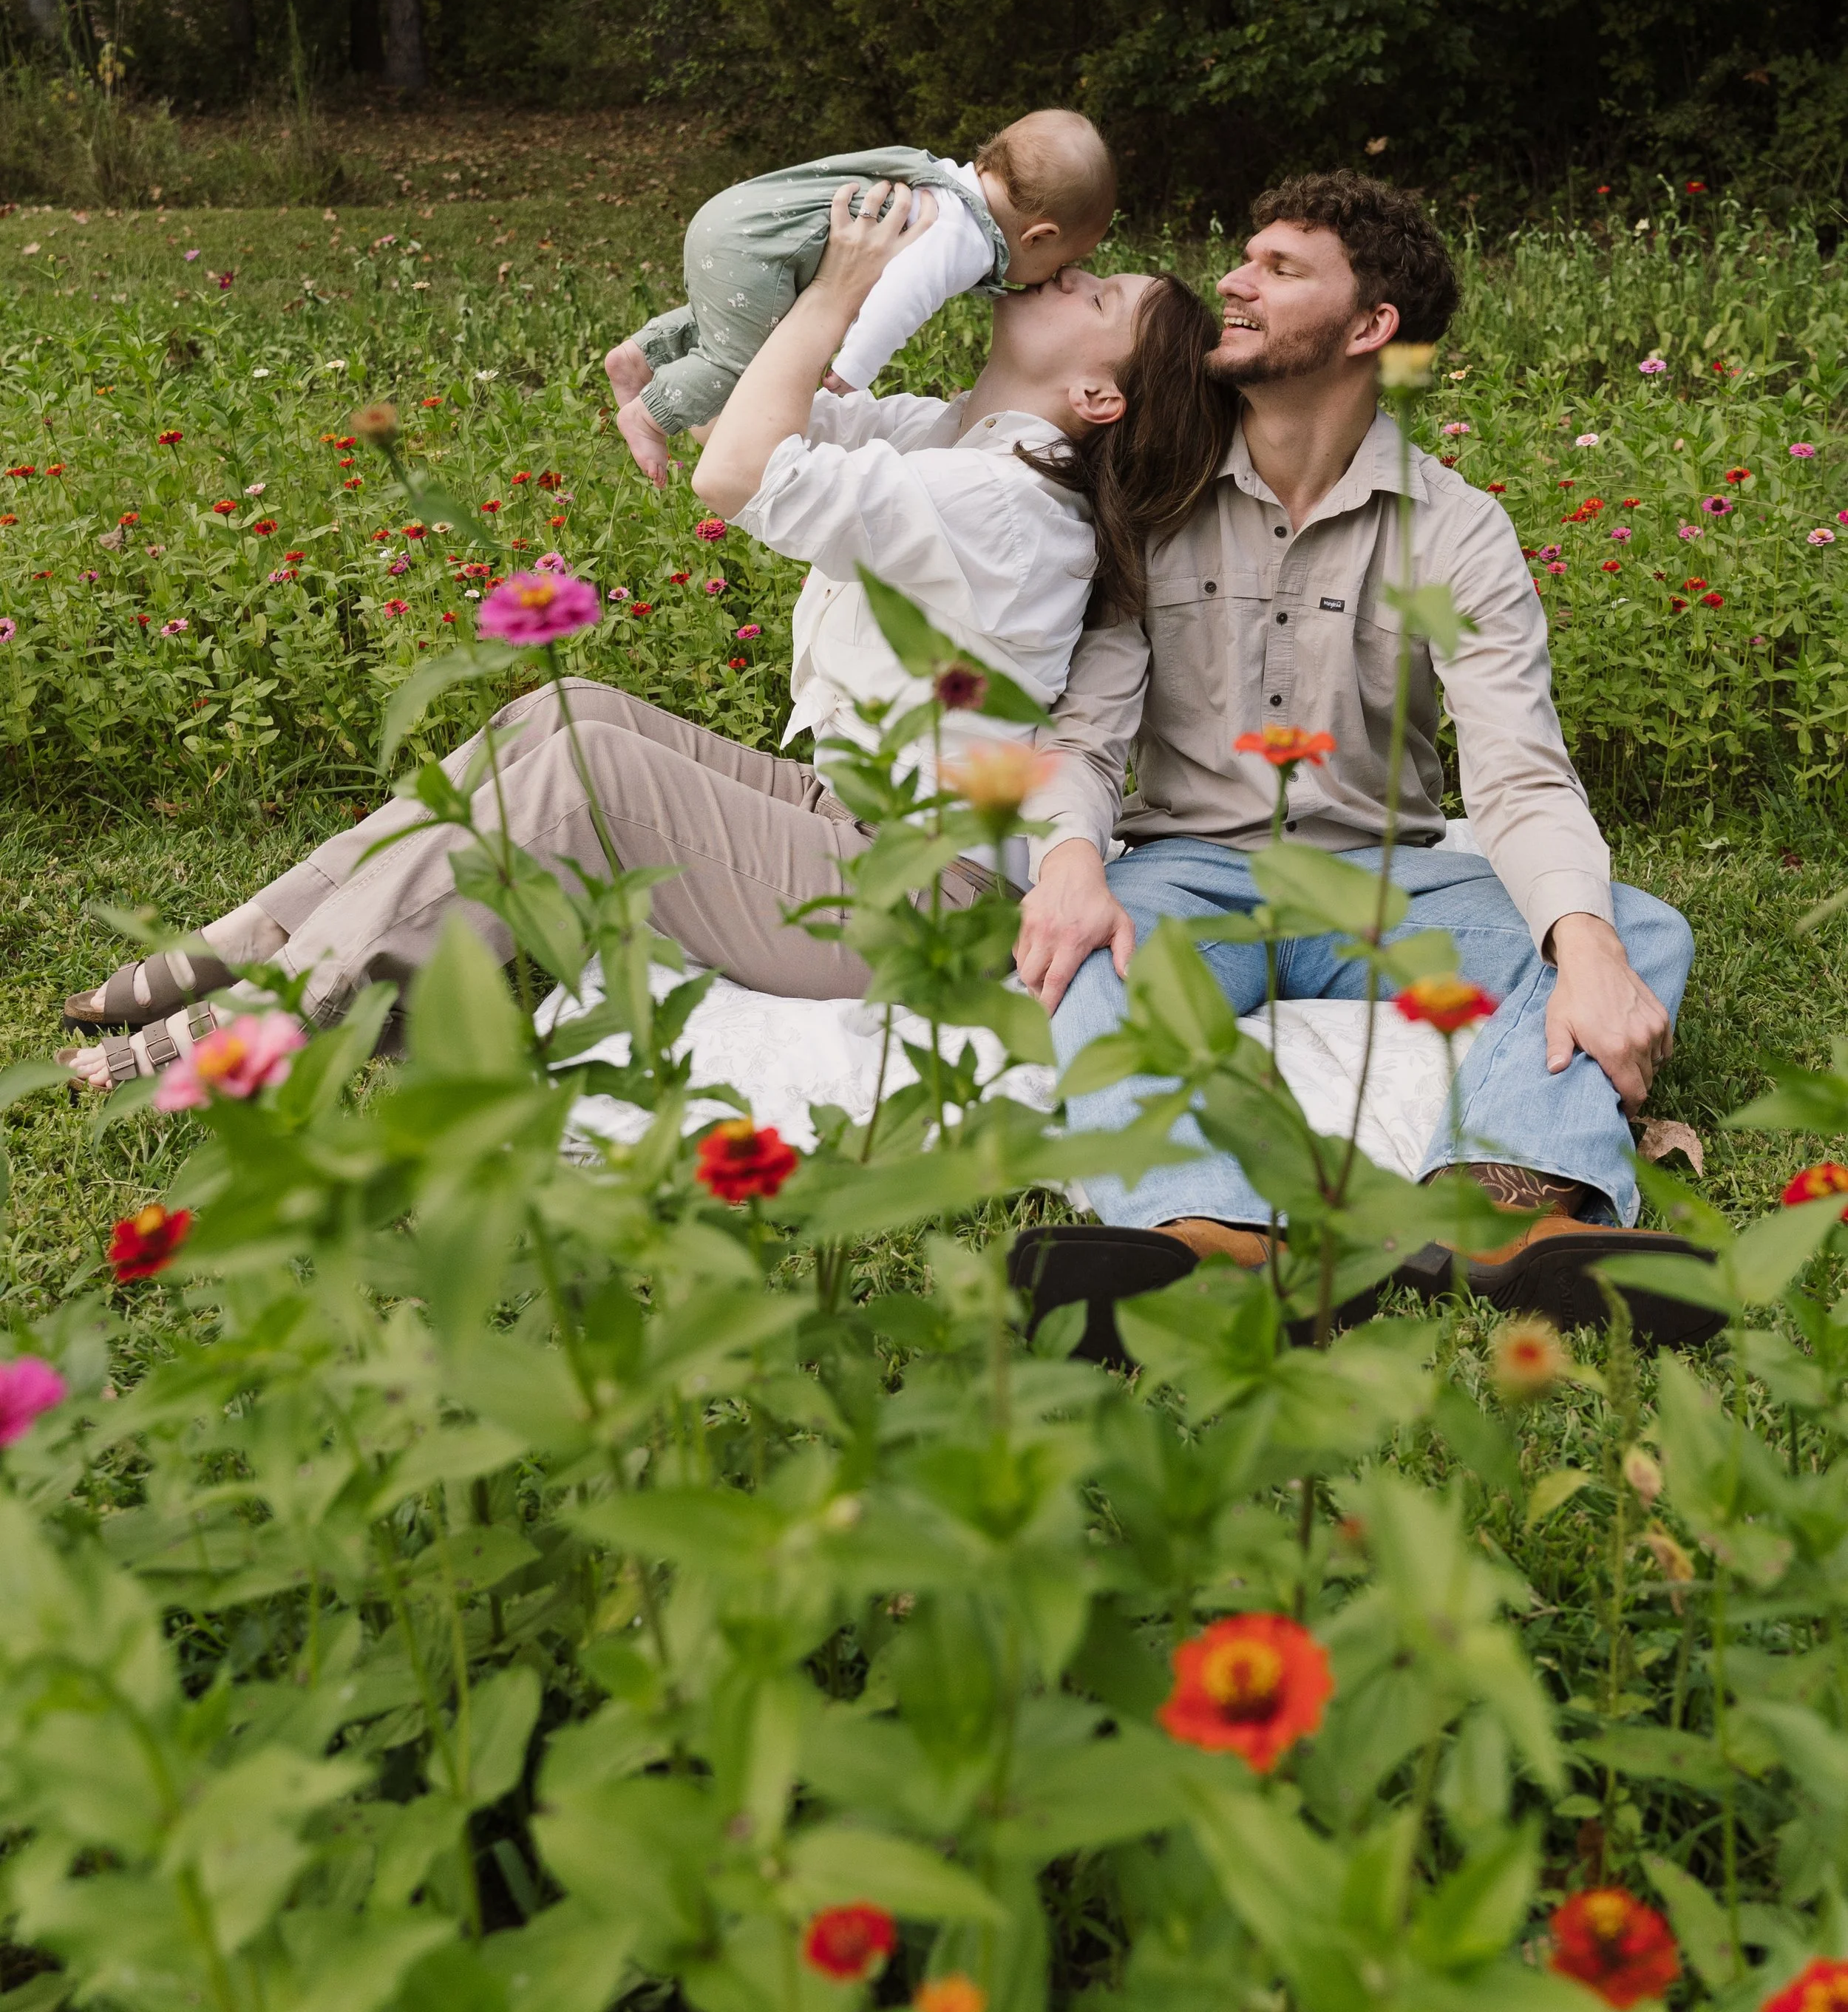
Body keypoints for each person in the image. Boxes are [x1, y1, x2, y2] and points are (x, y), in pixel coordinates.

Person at [60, 182, 1230, 1090]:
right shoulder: (945, 435)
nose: (1070, 272)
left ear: (1100, 398)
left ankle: (265, 1019)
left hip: (926, 897)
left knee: (585, 775)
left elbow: (737, 474)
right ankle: (249, 938)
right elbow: (746, 406)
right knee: (567, 713)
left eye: (1101, 297)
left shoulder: (1006, 504)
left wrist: (837, 288)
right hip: (851, 817)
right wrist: (696, 342)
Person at [1010, 169, 1719, 1347]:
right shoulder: (1155, 490)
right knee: (1071, 953)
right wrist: (1072, 858)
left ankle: (1505, 1209)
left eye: (1279, 268)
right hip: (1188, 872)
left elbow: (1521, 773)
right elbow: (1088, 731)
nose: (1231, 280)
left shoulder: (1458, 530)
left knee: (1639, 931)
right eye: (1245, 256)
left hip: (1387, 879)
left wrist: (1585, 947)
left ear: (1370, 327)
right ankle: (1209, 1232)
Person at [603, 109, 1116, 483]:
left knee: (735, 322)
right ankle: (649, 414)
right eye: (1062, 261)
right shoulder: (966, 236)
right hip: (763, 255)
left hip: (739, 224)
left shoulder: (940, 181)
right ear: (1039, 236)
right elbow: (904, 293)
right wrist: (854, 370)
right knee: (740, 360)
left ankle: (644, 352)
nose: (1060, 275)